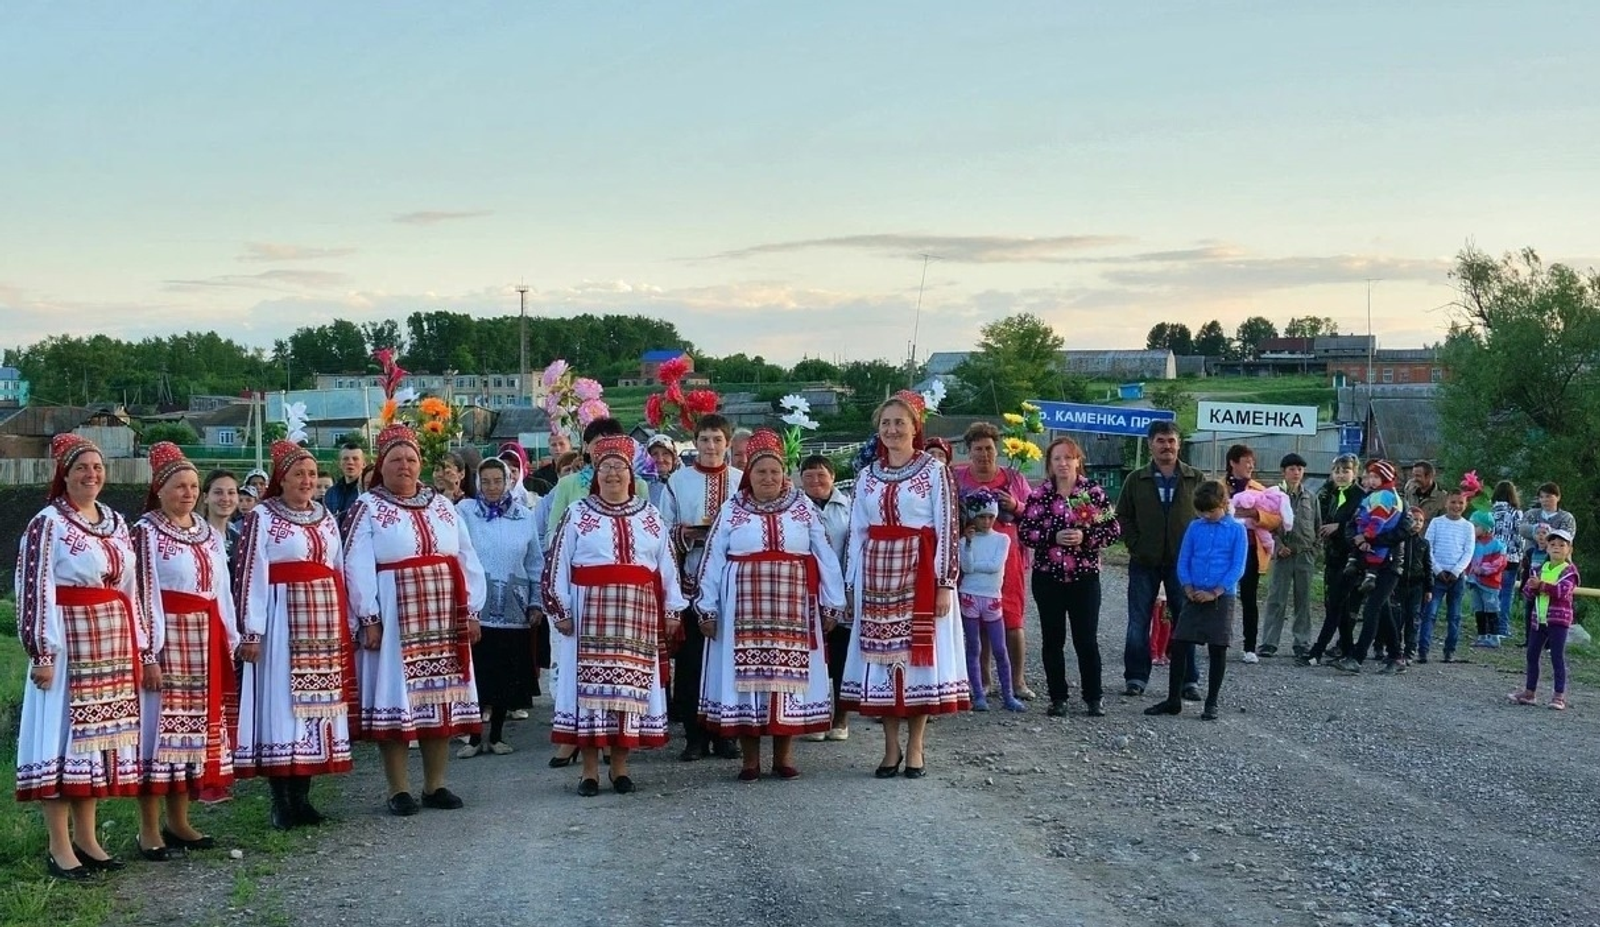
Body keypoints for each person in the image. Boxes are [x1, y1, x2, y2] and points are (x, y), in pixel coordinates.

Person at [15, 434, 150, 880]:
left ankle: (88, 838)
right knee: (61, 738)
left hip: (110, 642)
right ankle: (58, 845)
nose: (92, 475)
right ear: (65, 475)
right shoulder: (48, 523)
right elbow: (33, 588)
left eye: (97, 467)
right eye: (82, 468)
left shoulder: (114, 520)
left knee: (92, 746)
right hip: (68, 644)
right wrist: (42, 651)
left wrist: (140, 643)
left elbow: (132, 587)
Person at [345, 424, 487, 816]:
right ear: (381, 465)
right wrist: (368, 617)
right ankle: (398, 789)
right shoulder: (368, 507)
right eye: (395, 460)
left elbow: (465, 555)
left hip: (443, 613)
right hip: (394, 617)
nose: (404, 466)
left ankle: (435, 784)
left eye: (410, 459)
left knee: (438, 699)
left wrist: (471, 610)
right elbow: (355, 564)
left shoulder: (441, 505)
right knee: (397, 699)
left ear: (420, 464)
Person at [694, 430, 846, 780]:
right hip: (742, 609)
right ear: (749, 474)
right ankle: (750, 760)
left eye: (775, 472)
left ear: (785, 475)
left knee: (785, 679)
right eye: (761, 472)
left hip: (792, 607)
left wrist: (831, 604)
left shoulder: (803, 508)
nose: (769, 478)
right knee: (746, 682)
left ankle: (783, 757)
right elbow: (714, 560)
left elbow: (825, 556)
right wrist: (707, 608)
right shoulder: (732, 509)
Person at [543, 435, 688, 796]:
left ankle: (619, 768)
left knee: (628, 691)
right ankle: (589, 772)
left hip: (637, 613)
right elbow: (558, 562)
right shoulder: (578, 513)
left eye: (619, 468)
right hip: (587, 611)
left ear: (631, 474)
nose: (612, 474)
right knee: (590, 695)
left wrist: (671, 608)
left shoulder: (650, 515)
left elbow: (667, 566)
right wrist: (559, 608)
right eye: (605, 467)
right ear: (595, 473)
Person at [839, 391, 969, 780]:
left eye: (900, 422)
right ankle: (889, 747)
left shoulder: (934, 471)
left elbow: (948, 526)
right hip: (877, 574)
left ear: (915, 428)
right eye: (886, 423)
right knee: (881, 665)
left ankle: (916, 747)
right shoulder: (866, 477)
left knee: (916, 663)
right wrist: (850, 584)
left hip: (920, 573)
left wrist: (946, 582)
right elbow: (857, 531)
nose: (892, 429)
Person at [235, 440, 355, 829]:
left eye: (310, 474)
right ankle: (281, 800)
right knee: (281, 705)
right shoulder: (263, 517)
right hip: (279, 619)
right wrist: (251, 630)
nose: (306, 481)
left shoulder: (324, 516)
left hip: (320, 622)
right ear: (281, 479)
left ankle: (303, 797)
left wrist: (347, 620)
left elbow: (338, 569)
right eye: (297, 474)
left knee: (314, 707)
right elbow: (250, 572)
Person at [131, 443, 239, 860]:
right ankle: (148, 829)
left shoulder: (207, 532)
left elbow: (221, 589)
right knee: (158, 732)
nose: (189, 493)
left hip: (204, 638)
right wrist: (148, 652)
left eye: (194, 486)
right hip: (167, 638)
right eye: (180, 486)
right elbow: (141, 593)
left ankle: (179, 821)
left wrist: (228, 637)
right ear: (160, 489)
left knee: (192, 733)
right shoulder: (145, 531)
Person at [1017, 436, 1121, 718]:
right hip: (1048, 577)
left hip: (1084, 577)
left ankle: (1093, 697)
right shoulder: (1040, 495)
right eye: (1057, 459)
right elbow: (1025, 532)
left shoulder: (1094, 493)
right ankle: (1058, 697)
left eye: (1068, 458)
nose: (1063, 463)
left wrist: (1085, 537)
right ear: (1049, 464)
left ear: (1078, 460)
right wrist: (1053, 536)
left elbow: (1112, 530)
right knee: (1053, 639)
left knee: (1086, 639)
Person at [661, 413, 743, 761]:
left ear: (727, 444)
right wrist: (685, 534)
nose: (711, 447)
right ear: (695, 443)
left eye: (718, 440)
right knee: (693, 660)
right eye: (705, 440)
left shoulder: (742, 480)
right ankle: (694, 736)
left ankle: (726, 733)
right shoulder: (678, 482)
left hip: (734, 583)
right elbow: (661, 530)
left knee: (728, 660)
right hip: (691, 581)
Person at [455, 457, 544, 758]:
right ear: (478, 483)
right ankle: (472, 737)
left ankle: (497, 735)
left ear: (508, 481)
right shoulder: (465, 512)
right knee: (477, 671)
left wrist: (535, 601)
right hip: (477, 606)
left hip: (512, 605)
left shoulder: (523, 515)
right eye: (486, 481)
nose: (492, 487)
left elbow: (534, 561)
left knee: (505, 672)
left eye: (498, 480)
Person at [1116, 420, 1205, 699]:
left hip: (1183, 564)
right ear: (1151, 444)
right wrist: (1136, 544)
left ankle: (1188, 680)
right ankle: (1136, 678)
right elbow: (1123, 516)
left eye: (1171, 440)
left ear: (1179, 444)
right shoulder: (1136, 479)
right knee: (1139, 621)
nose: (1166, 446)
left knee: (1185, 622)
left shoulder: (1195, 478)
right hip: (1144, 561)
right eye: (1160, 441)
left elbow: (1208, 516)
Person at [1145, 480, 1245, 721]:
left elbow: (1237, 566)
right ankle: (1173, 699)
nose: (1206, 515)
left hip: (1221, 597)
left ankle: (1212, 702)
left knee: (1217, 648)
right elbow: (1184, 558)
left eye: (1211, 510)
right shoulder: (1195, 527)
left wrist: (1216, 591)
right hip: (1193, 593)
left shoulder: (1236, 530)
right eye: (1202, 511)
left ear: (1223, 504)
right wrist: (1187, 585)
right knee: (1179, 643)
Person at [953, 421, 1035, 700]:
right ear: (969, 451)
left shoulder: (1013, 478)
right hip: (974, 556)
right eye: (978, 449)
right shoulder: (959, 479)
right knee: (978, 620)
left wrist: (1016, 506)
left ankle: (1018, 680)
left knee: (1012, 619)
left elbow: (1035, 514)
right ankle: (984, 680)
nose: (984, 454)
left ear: (997, 450)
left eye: (989, 448)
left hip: (1007, 558)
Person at [797, 454, 853, 741]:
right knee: (812, 656)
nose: (816, 481)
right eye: (808, 476)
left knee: (841, 656)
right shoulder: (795, 508)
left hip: (842, 591)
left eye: (821, 475)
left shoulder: (848, 508)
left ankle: (840, 718)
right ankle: (813, 716)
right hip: (805, 593)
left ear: (832, 477)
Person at [959, 491, 1022, 713]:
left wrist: (977, 565)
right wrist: (967, 545)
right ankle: (978, 694)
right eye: (981, 517)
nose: (986, 521)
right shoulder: (966, 540)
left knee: (999, 647)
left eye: (990, 516)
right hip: (969, 595)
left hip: (992, 597)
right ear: (974, 517)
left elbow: (995, 565)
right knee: (973, 646)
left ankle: (1008, 695)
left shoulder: (1002, 539)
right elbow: (966, 567)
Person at [1220, 445, 1283, 663]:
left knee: (1249, 597)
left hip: (1250, 549)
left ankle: (1250, 646)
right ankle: (1217, 640)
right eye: (1246, 461)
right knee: (1219, 594)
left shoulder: (1259, 489)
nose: (1250, 466)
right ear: (1233, 463)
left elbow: (1276, 518)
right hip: (1223, 549)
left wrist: (1256, 514)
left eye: (1252, 462)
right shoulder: (1218, 487)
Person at [1302, 454, 1363, 662]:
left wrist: (1340, 527)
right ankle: (1348, 650)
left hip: (1352, 557)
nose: (1341, 475)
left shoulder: (1360, 496)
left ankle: (1316, 652)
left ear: (1355, 473)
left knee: (1336, 604)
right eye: (1337, 471)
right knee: (1339, 605)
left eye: (1345, 471)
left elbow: (1364, 524)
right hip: (1333, 555)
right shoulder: (1331, 494)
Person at [1509, 528, 1579, 711]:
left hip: (1558, 620)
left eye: (1561, 545)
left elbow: (1563, 592)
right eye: (1553, 544)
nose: (1556, 548)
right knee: (1532, 654)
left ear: (1569, 550)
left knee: (1557, 657)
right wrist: (1532, 587)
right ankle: (1529, 692)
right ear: (1547, 548)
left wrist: (1541, 585)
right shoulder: (1540, 569)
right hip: (1538, 618)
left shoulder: (1569, 571)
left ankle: (1559, 696)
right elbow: (1527, 592)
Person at [1257, 453, 1318, 662]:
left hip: (1305, 556)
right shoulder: (1273, 495)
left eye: (1300, 469)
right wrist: (1277, 546)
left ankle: (1301, 642)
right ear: (1283, 471)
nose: (1296, 472)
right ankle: (1269, 642)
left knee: (1304, 601)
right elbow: (1266, 524)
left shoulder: (1310, 496)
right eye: (1292, 469)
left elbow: (1317, 525)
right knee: (1277, 599)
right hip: (1282, 555)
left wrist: (1314, 550)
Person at [1419, 491, 1475, 663]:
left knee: (1454, 616)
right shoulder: (1436, 523)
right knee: (1430, 613)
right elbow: (1428, 548)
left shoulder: (1468, 527)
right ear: (1446, 503)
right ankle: (1423, 649)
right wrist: (1437, 570)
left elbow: (1468, 551)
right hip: (1437, 576)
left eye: (1460, 503)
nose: (1456, 506)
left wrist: (1457, 570)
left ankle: (1449, 650)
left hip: (1456, 577)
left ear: (1465, 505)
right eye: (1453, 502)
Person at [1518, 483, 1576, 636]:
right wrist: (1538, 531)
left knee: (1554, 599)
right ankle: (1529, 636)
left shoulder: (1566, 517)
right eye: (1542, 497)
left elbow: (1566, 536)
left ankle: (1551, 638)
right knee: (1531, 600)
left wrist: (1544, 533)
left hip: (1557, 565)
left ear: (1558, 497)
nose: (1545, 500)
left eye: (1549, 496)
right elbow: (1522, 529)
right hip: (1533, 562)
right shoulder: (1532, 513)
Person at [1344, 460, 1404, 593]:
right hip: (1378, 536)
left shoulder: (1383, 496)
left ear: (1385, 477)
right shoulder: (1382, 494)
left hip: (1374, 532)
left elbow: (1378, 518)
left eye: (1376, 477)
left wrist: (1367, 536)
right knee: (1374, 559)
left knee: (1372, 555)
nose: (1372, 481)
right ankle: (1369, 575)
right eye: (1370, 477)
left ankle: (1354, 563)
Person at [1393, 509, 1433, 663]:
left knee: (1413, 619)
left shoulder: (1424, 543)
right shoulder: (1398, 540)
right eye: (1414, 520)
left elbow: (1427, 566)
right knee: (1397, 618)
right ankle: (1395, 649)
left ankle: (1410, 651)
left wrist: (1429, 588)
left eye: (1420, 521)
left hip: (1417, 586)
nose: (1417, 524)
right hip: (1399, 584)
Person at [1489, 481, 1524, 643]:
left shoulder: (1490, 511)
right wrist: (1521, 555)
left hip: (1491, 557)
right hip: (1511, 558)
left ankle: (1490, 627)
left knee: (1492, 592)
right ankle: (1502, 627)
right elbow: (1519, 536)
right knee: (1506, 594)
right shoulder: (1516, 513)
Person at [1467, 511, 1509, 649]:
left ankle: (1494, 636)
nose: (1471, 528)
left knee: (1491, 608)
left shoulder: (1497, 545)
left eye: (1475, 525)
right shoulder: (1472, 543)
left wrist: (1483, 569)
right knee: (1478, 608)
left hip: (1490, 583)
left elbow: (1500, 562)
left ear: (1485, 528)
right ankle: (1482, 635)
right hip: (1474, 581)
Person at [324, 442, 366, 521]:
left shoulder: (367, 491)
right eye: (346, 459)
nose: (350, 462)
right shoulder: (331, 493)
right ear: (340, 463)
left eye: (355, 459)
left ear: (363, 464)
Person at [644, 433, 679, 510]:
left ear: (673, 458)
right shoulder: (641, 486)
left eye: (665, 453)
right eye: (655, 454)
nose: (660, 459)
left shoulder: (682, 482)